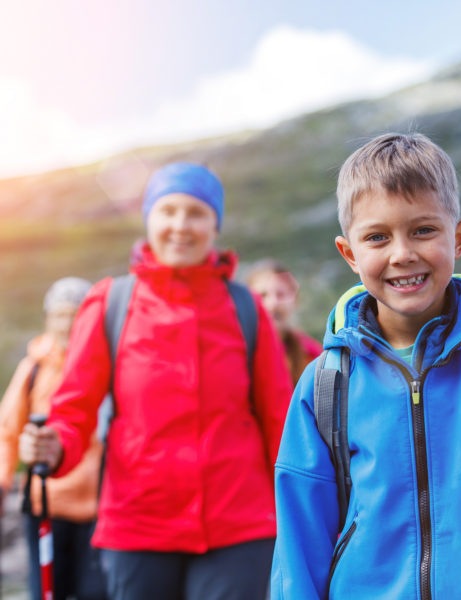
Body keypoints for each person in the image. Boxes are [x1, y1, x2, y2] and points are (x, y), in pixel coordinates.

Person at [270, 133, 461, 598]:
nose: (403, 253)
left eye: (423, 230)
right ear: (350, 253)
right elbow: (300, 541)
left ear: (458, 237)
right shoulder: (326, 385)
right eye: (378, 237)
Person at [19, 162, 293, 600]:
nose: (181, 225)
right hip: (138, 524)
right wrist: (55, 446)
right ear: (149, 219)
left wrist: (303, 510)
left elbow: (280, 421)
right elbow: (73, 411)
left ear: (215, 225)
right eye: (168, 211)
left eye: (197, 213)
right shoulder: (110, 302)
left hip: (240, 524)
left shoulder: (245, 308)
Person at [0, 276, 107, 600]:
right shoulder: (33, 368)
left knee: (97, 594)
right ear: (48, 319)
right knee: (47, 592)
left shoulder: (107, 366)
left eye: (75, 314)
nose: (67, 323)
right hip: (46, 504)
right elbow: (8, 431)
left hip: (100, 509)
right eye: (59, 315)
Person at [245, 259, 322, 384]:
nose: (272, 304)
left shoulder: (313, 356)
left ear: (295, 300)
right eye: (263, 295)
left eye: (280, 294)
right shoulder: (237, 353)